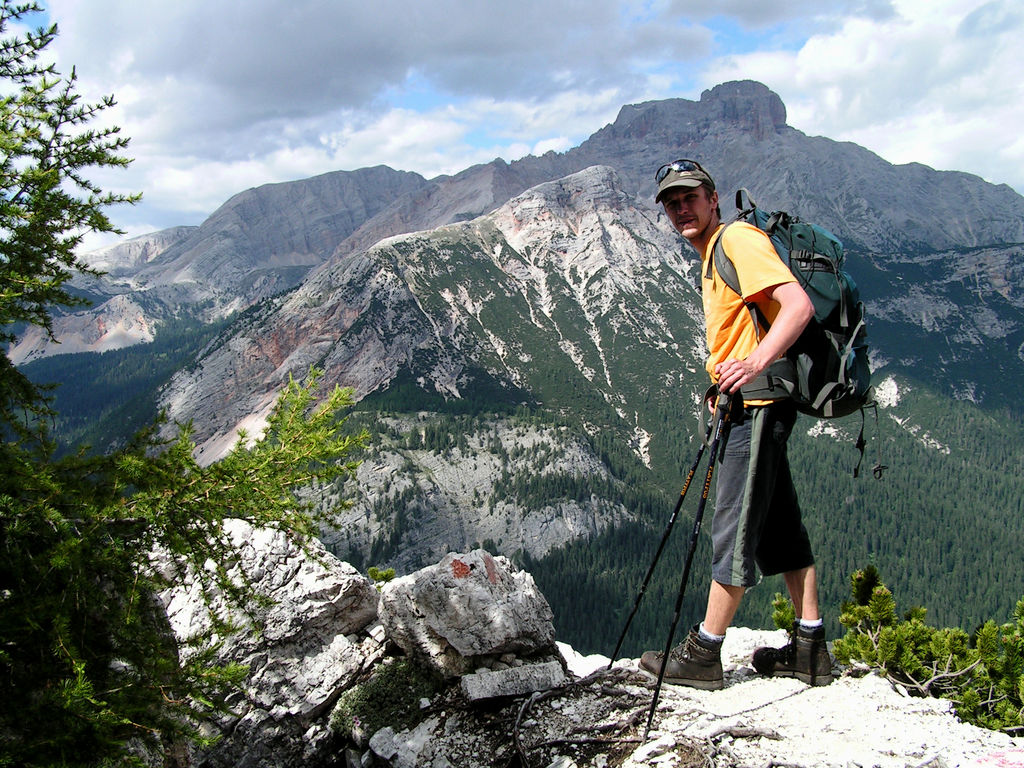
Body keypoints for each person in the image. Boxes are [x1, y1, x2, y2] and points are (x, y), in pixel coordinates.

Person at [639, 158, 833, 690]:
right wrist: (722, 379)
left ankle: (705, 652)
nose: (681, 208)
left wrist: (754, 364)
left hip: (760, 405)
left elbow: (795, 307)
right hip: (749, 400)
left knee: (734, 523)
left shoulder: (738, 241)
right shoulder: (712, 254)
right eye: (672, 202)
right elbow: (741, 329)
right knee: (779, 524)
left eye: (690, 198)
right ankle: (811, 647)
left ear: (713, 197)